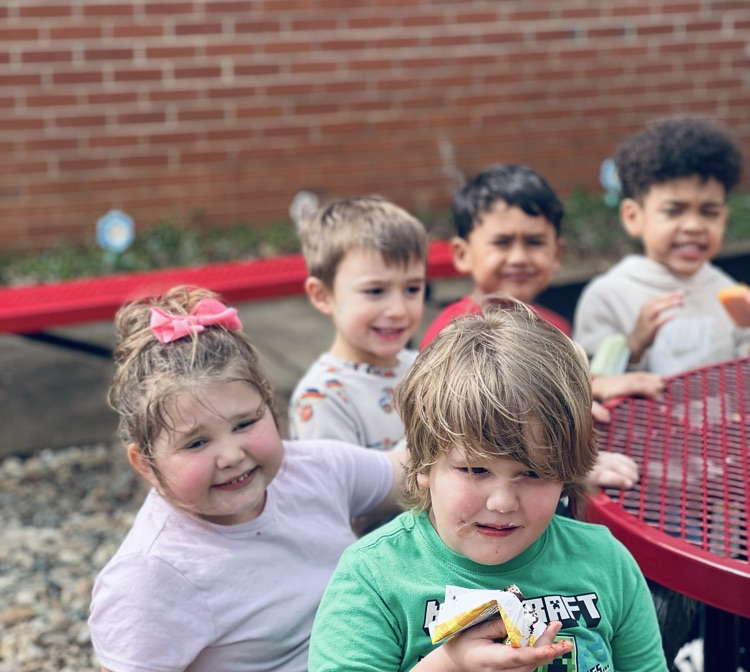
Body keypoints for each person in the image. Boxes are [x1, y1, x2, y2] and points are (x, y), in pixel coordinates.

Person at [307, 303, 727, 672]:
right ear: (424, 466)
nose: (502, 500)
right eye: (474, 468)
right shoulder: (376, 576)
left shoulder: (601, 562)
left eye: (532, 473)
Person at [88, 286, 403, 672]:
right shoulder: (155, 573)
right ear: (145, 463)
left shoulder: (312, 471)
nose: (230, 454)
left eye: (244, 423)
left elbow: (412, 470)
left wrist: (525, 459)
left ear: (270, 406)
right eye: (195, 443)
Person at [421, 162, 664, 403]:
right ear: (463, 254)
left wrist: (624, 356)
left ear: (556, 254)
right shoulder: (452, 332)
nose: (519, 258)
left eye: (535, 242)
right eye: (502, 243)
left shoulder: (555, 328)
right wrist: (588, 394)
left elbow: (573, 386)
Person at [573, 114, 750, 375]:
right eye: (673, 211)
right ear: (633, 217)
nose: (693, 226)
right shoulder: (607, 296)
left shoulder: (724, 288)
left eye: (709, 212)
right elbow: (586, 384)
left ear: (723, 217)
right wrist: (633, 345)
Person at [289, 195, 428, 450]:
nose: (398, 310)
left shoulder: (424, 369)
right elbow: (337, 486)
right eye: (375, 291)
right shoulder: (323, 398)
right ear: (322, 296)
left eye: (412, 289)